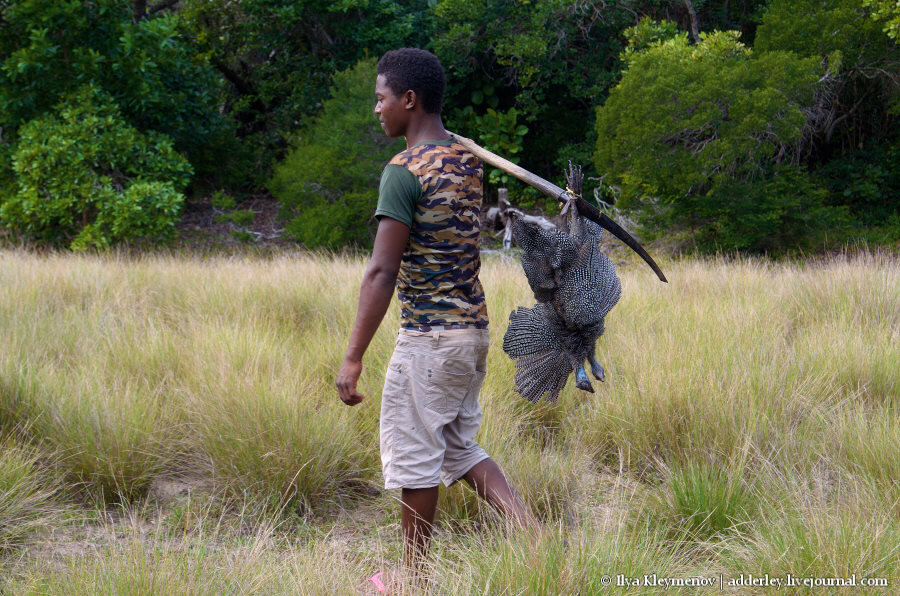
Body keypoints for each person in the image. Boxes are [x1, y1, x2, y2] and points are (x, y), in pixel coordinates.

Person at [335, 48, 534, 580]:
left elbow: (381, 271)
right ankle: (532, 535)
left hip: (429, 337)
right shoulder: (469, 161)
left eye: (380, 99)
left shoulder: (402, 172)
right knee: (456, 447)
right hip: (471, 333)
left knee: (415, 456)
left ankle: (413, 582)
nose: (375, 109)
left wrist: (353, 357)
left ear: (408, 99)